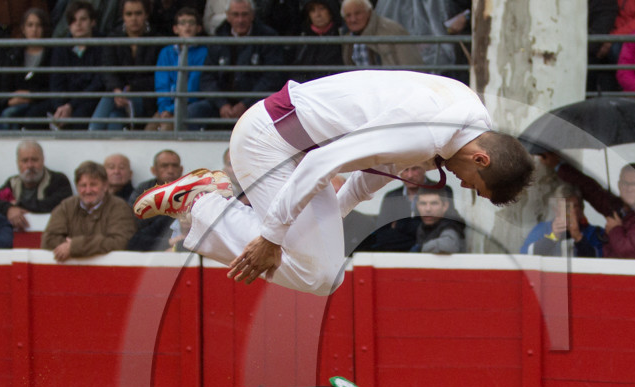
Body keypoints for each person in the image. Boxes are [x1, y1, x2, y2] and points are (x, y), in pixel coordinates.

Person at [134, 70, 535, 296]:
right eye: (475, 186)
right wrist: (273, 237)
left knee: (325, 272)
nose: (463, 187)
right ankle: (200, 203)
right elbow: (327, 161)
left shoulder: (467, 120)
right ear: (480, 159)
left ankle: (207, 207)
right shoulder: (429, 135)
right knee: (320, 276)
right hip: (270, 141)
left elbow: (366, 179)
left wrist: (323, 223)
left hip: (295, 146)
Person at [542, 153, 635, 259]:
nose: (629, 188)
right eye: (625, 183)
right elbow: (591, 190)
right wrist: (558, 165)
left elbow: (629, 253)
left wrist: (615, 229)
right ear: (619, 185)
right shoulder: (622, 207)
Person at [191, 0, 286, 128]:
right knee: (193, 111)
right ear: (228, 16)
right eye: (235, 15)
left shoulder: (268, 37)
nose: (240, 20)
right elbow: (207, 78)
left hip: (257, 104)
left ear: (253, 15)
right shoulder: (218, 38)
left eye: (244, 14)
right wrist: (222, 104)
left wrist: (245, 104)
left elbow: (272, 78)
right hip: (222, 106)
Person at [42, 161, 136, 261]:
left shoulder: (119, 207)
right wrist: (78, 246)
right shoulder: (66, 206)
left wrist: (75, 246)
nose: (88, 190)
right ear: (77, 187)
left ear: (105, 186)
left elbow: (121, 242)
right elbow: (48, 240)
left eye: (93, 185)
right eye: (83, 185)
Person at [91, 0, 160, 129]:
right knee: (114, 120)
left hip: (145, 98)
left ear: (146, 14)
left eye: (138, 13)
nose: (134, 18)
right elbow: (107, 69)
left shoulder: (157, 39)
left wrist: (131, 87)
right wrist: (117, 90)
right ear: (123, 16)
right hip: (117, 96)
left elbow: (158, 77)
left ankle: (92, 132)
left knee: (109, 105)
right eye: (129, 14)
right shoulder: (113, 37)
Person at [0, 140, 74, 231]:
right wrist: (8, 208)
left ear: (43, 160)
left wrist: (18, 205)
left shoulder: (59, 180)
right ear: (18, 163)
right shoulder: (13, 183)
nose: (30, 165)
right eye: (25, 161)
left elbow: (55, 204)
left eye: (34, 160)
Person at [48, 1, 104, 129]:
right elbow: (56, 82)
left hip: (91, 100)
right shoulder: (61, 48)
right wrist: (60, 106)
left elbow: (98, 83)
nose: (78, 24)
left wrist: (71, 106)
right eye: (73, 20)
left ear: (93, 21)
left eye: (83, 19)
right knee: (34, 115)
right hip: (65, 102)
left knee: (78, 119)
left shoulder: (103, 45)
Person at [150, 7, 208, 131]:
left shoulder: (204, 53)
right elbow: (161, 85)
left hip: (190, 106)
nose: (187, 26)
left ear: (199, 28)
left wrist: (171, 110)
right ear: (175, 29)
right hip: (166, 108)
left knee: (166, 128)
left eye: (191, 23)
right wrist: (164, 109)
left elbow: (193, 88)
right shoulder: (166, 52)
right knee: (149, 129)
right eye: (182, 23)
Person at [0, 8, 53, 130]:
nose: (34, 30)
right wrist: (9, 100)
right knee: (8, 114)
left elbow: (52, 87)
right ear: (23, 29)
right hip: (15, 103)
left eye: (38, 25)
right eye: (30, 25)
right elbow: (4, 86)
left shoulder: (52, 55)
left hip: (41, 104)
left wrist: (31, 95)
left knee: (10, 115)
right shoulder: (14, 55)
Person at [520, 185, 605, 257]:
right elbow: (526, 256)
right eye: (566, 207)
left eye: (574, 207)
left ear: (581, 209)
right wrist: (553, 237)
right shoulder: (542, 229)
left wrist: (579, 238)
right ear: (556, 210)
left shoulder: (596, 233)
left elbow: (599, 263)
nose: (570, 212)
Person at [340, 0, 422, 68]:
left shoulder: (392, 31)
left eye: (358, 13)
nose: (353, 19)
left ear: (369, 12)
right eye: (348, 15)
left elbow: (412, 65)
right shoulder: (346, 39)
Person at [290, 0, 344, 83]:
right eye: (312, 10)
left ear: (331, 10)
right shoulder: (303, 40)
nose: (317, 15)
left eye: (322, 9)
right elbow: (297, 72)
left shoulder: (342, 36)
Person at [412, 185, 465, 254]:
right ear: (417, 206)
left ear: (445, 206)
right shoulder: (424, 226)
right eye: (423, 203)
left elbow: (448, 245)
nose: (428, 209)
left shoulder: (451, 226)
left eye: (434, 203)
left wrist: (421, 248)